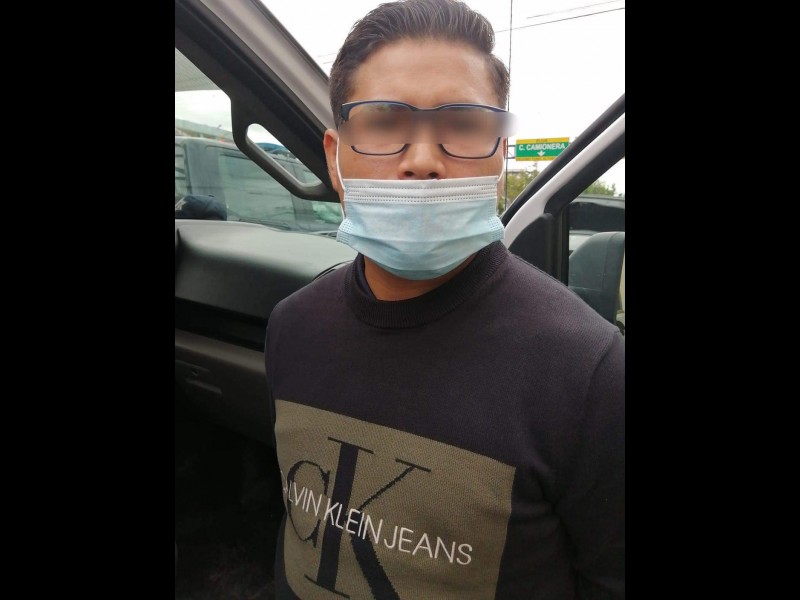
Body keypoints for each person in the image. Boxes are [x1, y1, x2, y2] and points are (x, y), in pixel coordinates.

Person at [265, 1, 624, 598]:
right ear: (333, 155)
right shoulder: (291, 327)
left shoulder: (590, 373)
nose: (424, 160)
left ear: (501, 154)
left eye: (463, 125)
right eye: (384, 123)